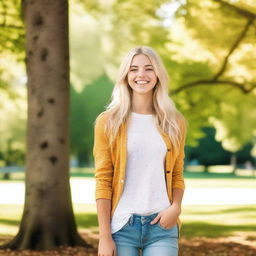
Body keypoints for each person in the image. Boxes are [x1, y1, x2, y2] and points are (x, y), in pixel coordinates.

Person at [93, 45, 187, 256]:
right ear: (126, 76)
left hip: (162, 225)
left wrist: (176, 207)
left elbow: (178, 173)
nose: (141, 75)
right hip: (122, 226)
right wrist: (104, 236)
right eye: (134, 69)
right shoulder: (108, 122)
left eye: (149, 68)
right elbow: (103, 180)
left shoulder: (174, 122)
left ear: (158, 75)